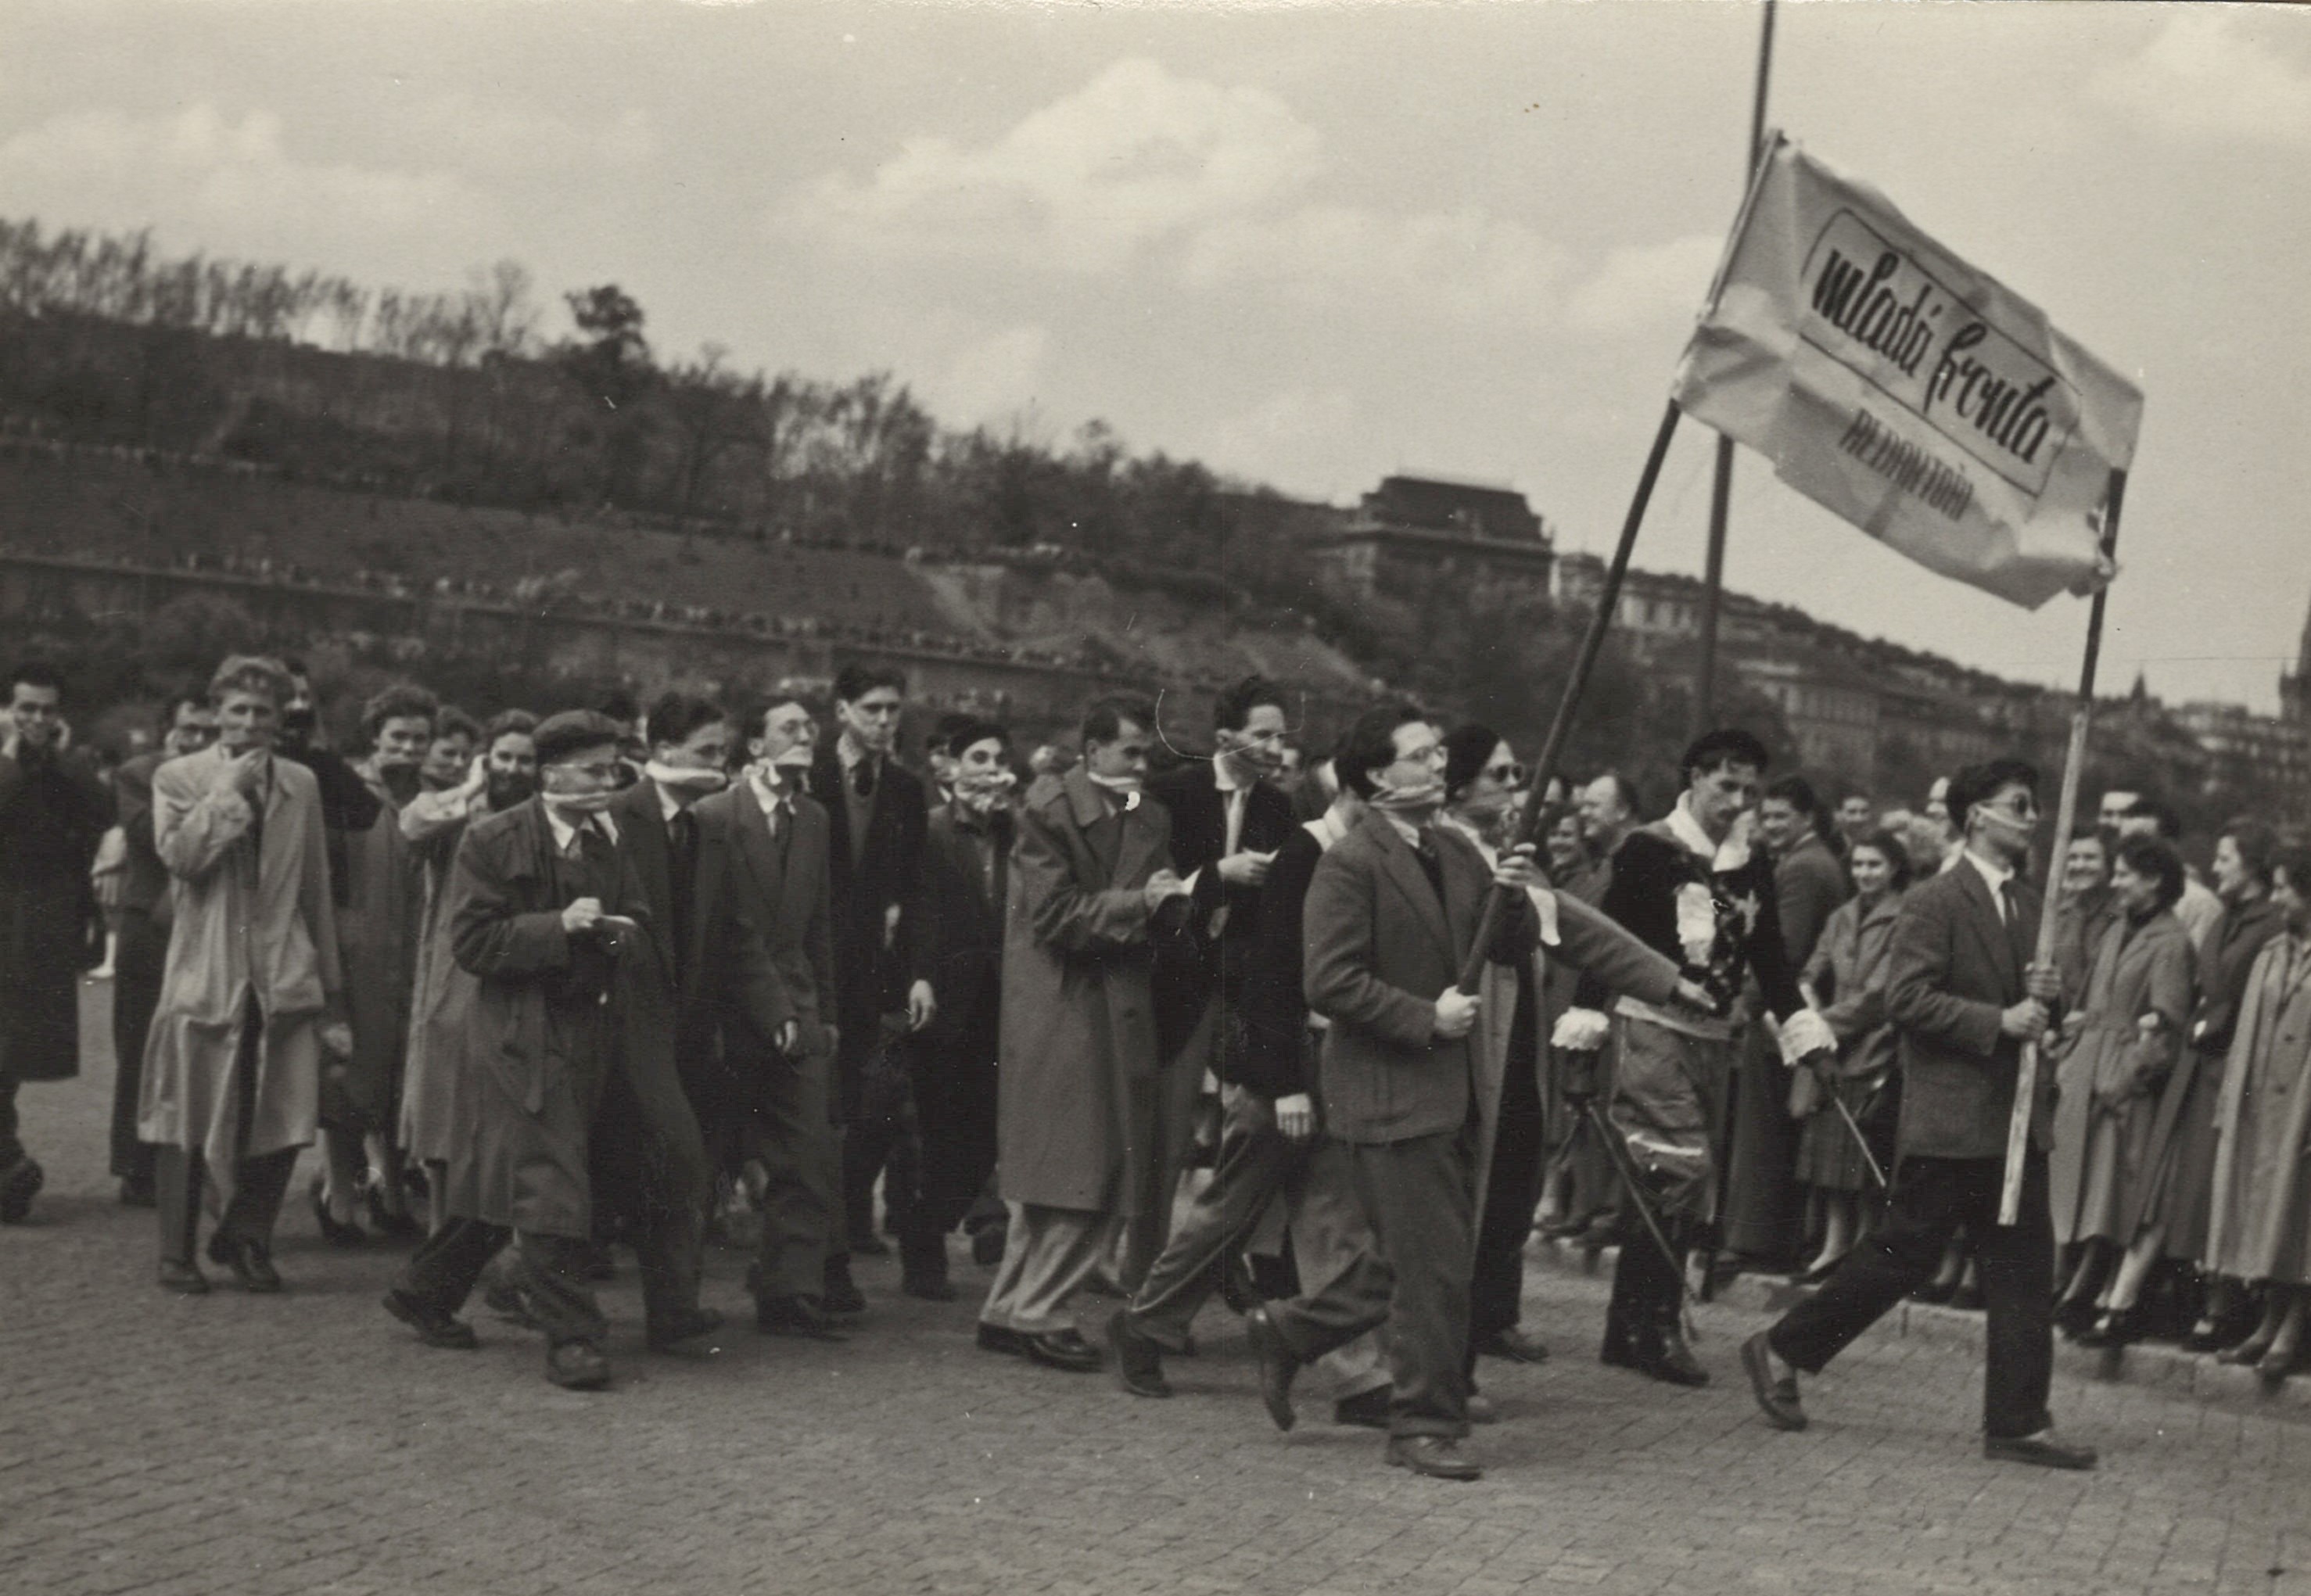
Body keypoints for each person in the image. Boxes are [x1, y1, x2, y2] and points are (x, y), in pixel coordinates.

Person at [1743, 758, 2097, 1471]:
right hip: (1952, 1120)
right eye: (2018, 805)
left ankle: (2017, 1422)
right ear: (1976, 816)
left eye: (2033, 806)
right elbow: (1906, 998)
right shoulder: (1936, 899)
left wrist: (2051, 1000)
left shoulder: (2031, 904)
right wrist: (1999, 1020)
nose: (2032, 818)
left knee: (2024, 1268)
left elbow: (2038, 1009)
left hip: (2015, 1120)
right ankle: (1780, 1347)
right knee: (1903, 1255)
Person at [1236, 709, 1548, 1481]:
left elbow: (1506, 948)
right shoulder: (1349, 862)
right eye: (1421, 754)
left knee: (1418, 1255)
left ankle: (1290, 1329)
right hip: (1388, 1094)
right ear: (1378, 775)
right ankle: (1423, 1424)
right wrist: (1423, 1018)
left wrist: (1512, 895)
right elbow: (1329, 980)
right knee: (1434, 1271)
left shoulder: (1455, 850)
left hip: (1452, 1092)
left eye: (1440, 752)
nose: (1439, 763)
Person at [1107, 709, 1402, 1417]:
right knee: (1228, 1211)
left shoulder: (1362, 855)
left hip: (1327, 1063)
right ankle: (1143, 1323)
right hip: (1284, 1065)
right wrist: (1284, 1081)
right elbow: (1270, 971)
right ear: (1356, 791)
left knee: (1331, 1218)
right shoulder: (1306, 852)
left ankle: (1359, 1377)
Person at [384, 710, 663, 1390]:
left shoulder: (607, 838)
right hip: (518, 1032)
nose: (608, 782)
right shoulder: (491, 838)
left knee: (516, 1171)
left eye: (614, 769)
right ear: (551, 775)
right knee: (550, 1179)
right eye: (594, 770)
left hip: (590, 1029)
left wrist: (619, 934)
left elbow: (639, 915)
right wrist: (557, 927)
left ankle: (426, 1289)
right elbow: (473, 943)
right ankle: (573, 1337)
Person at [1570, 730, 1826, 1386]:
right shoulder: (1648, 849)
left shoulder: (1747, 861)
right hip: (1651, 1027)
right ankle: (1657, 1324)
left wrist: (1800, 1030)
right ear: (1694, 778)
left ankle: (1629, 1324)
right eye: (1725, 786)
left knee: (1670, 1182)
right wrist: (1583, 1024)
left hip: (1714, 1039)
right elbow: (1604, 943)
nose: (1736, 801)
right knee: (1678, 1170)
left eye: (1748, 791)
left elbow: (1767, 955)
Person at [1434, 725, 1687, 1383]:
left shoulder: (1515, 856)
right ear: (1456, 786)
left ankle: (1483, 1324)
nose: (1515, 787)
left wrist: (1667, 979)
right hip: (1459, 1042)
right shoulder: (1436, 848)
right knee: (1461, 1200)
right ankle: (1440, 1363)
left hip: (1520, 1040)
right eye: (1500, 775)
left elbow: (1573, 923)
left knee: (1513, 1182)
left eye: (1517, 774)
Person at [978, 695, 1191, 1374]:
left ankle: (1010, 1307)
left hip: (1106, 1002)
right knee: (1086, 1170)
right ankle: (1039, 1311)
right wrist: (1144, 903)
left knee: (1073, 1168)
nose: (1142, 764)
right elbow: (1054, 917)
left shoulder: (1143, 814)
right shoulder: (1049, 809)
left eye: (1146, 752)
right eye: (1131, 751)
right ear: (1092, 749)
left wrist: (1165, 902)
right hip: (1066, 1008)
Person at [138, 655, 350, 1293]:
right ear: (217, 713)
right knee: (186, 1105)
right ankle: (175, 1252)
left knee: (284, 1108)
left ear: (280, 719)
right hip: (206, 963)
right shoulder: (179, 776)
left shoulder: (300, 783)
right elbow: (182, 858)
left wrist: (331, 989)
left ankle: (247, 1236)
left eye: (264, 711)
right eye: (238, 709)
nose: (251, 721)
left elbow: (315, 887)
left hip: (282, 963)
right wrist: (226, 792)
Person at [1142, 676, 1300, 1285]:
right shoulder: (1171, 793)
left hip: (1238, 990)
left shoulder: (1278, 808)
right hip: (1174, 985)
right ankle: (1145, 1271)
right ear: (1225, 736)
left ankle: (1219, 1261)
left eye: (1281, 737)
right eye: (1264, 735)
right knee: (1166, 1138)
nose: (1276, 748)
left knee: (1243, 1134)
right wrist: (1218, 874)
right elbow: (1149, 889)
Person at [600, 690, 745, 1354]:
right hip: (619, 1024)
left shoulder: (707, 826)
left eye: (723, 750)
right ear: (661, 750)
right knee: (676, 1158)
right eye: (706, 750)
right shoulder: (616, 816)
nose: (720, 762)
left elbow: (731, 931)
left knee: (669, 1165)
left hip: (684, 1029)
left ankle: (672, 1309)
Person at [698, 693, 842, 1340]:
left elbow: (819, 925)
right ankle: (676, 1297)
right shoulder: (714, 814)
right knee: (705, 1155)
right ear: (755, 745)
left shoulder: (813, 818)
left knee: (807, 1155)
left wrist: (825, 1012)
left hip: (799, 1009)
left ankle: (791, 1292)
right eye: (789, 727)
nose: (806, 735)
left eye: (809, 727)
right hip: (727, 1011)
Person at [806, 663, 935, 1307]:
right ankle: (815, 1263)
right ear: (842, 711)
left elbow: (915, 892)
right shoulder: (808, 775)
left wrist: (915, 972)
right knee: (811, 1117)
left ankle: (827, 1256)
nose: (884, 721)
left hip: (867, 978)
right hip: (805, 967)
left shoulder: (906, 790)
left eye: (893, 710)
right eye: (872, 709)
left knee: (853, 1114)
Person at [2045, 834, 2194, 1345]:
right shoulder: (2115, 929)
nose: (2116, 882)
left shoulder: (2171, 942)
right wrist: (2068, 1051)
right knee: (2077, 1181)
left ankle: (2083, 1291)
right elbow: (2088, 999)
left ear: (2153, 880)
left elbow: (2167, 1023)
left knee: (2109, 1189)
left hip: (2120, 1082)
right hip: (2084, 1069)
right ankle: (2070, 1286)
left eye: (2125, 874)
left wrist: (2126, 1077)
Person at [397, 710, 537, 1224]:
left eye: (525, 760)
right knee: (443, 1106)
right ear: (486, 757)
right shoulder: (456, 809)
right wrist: (470, 789)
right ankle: (440, 1227)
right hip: (454, 974)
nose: (513, 769)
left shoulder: (541, 817)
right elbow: (411, 826)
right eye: (504, 757)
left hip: (517, 969)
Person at [896, 719, 1015, 1300]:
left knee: (988, 1134)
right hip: (945, 1000)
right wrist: (919, 976)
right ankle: (923, 1253)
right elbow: (918, 908)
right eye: (979, 758)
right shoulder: (931, 830)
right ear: (955, 767)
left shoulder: (1018, 833)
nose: (990, 770)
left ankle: (936, 1221)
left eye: (999, 760)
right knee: (939, 1130)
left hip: (1003, 1001)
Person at [316, 682, 438, 1246]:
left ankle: (390, 1192)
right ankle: (339, 1197)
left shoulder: (435, 800)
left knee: (402, 1077)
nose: (409, 749)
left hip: (414, 948)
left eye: (419, 739)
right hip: (358, 947)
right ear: (375, 738)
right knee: (350, 1080)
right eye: (399, 737)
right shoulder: (348, 790)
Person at [0, 661, 115, 1225]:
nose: (37, 719)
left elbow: (103, 811)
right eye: (27, 708)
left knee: (16, 1047)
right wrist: (9, 756)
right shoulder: (7, 764)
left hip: (38, 925)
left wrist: (64, 758)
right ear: (8, 710)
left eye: (47, 710)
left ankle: (6, 1157)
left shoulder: (64, 768)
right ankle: (7, 1159)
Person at [2168, 824, 2287, 1351]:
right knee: (2197, 1188)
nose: (2216, 868)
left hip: (2235, 1068)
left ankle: (2224, 1305)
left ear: (2253, 866)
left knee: (2225, 1184)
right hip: (2204, 1065)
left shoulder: (2269, 925)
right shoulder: (2224, 917)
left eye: (2224, 858)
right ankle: (2205, 1298)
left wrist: (2209, 1021)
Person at [1728, 774, 1853, 1271]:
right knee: (1769, 1129)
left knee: (1765, 1130)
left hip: (1781, 1017)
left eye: (1782, 816)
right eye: (1767, 817)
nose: (1772, 825)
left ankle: (1757, 1240)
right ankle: (1759, 1237)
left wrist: (1747, 1005)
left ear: (1807, 818)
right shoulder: (1802, 862)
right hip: (1786, 1011)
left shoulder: (1804, 868)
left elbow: (1785, 948)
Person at [2201, 843, 2311, 1379]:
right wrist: (2233, 1101)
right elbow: (2246, 1031)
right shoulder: (2272, 952)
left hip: (2303, 1109)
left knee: (2303, 1218)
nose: (2277, 897)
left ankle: (2293, 1327)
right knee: (2272, 1215)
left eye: (2285, 888)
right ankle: (2267, 1323)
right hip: (2263, 1105)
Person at [108, 695, 217, 1207]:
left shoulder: (230, 773)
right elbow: (144, 834)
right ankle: (136, 1165)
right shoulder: (137, 773)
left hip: (209, 921)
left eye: (207, 731)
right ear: (168, 730)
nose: (198, 740)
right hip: (150, 921)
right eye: (189, 728)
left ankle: (197, 1161)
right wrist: (185, 781)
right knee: (139, 1046)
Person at [1792, 830, 1911, 1282]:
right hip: (1835, 1044)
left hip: (1875, 1043)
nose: (1864, 873)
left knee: (1862, 1157)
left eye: (1874, 865)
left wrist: (1823, 1023)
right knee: (1830, 1154)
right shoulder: (1841, 916)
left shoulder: (1904, 917)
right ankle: (1834, 1244)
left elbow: (1880, 994)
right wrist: (1806, 998)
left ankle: (1863, 1247)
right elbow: (1813, 967)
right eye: (1858, 864)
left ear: (1894, 868)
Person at [2117, 798, 2223, 952]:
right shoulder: (2119, 894)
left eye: (2140, 842)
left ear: (2169, 845)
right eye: (2125, 841)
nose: (2129, 850)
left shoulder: (2200, 904)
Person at [1835, 790, 1877, 855]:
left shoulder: (1879, 846)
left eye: (1864, 812)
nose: (1859, 819)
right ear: (1838, 815)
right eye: (1852, 812)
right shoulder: (1828, 848)